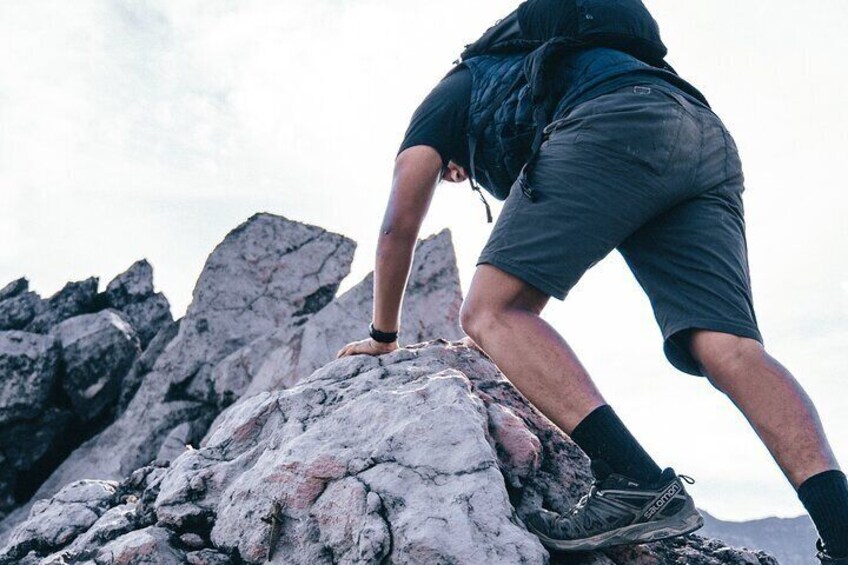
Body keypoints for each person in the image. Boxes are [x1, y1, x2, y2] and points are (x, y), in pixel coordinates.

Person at [336, 5, 848, 562]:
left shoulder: (452, 89)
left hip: (611, 121)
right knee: (730, 348)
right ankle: (843, 527)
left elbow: (397, 227)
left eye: (453, 171)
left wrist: (384, 334)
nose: (456, 177)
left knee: (491, 312)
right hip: (701, 132)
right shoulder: (568, 60)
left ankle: (633, 481)